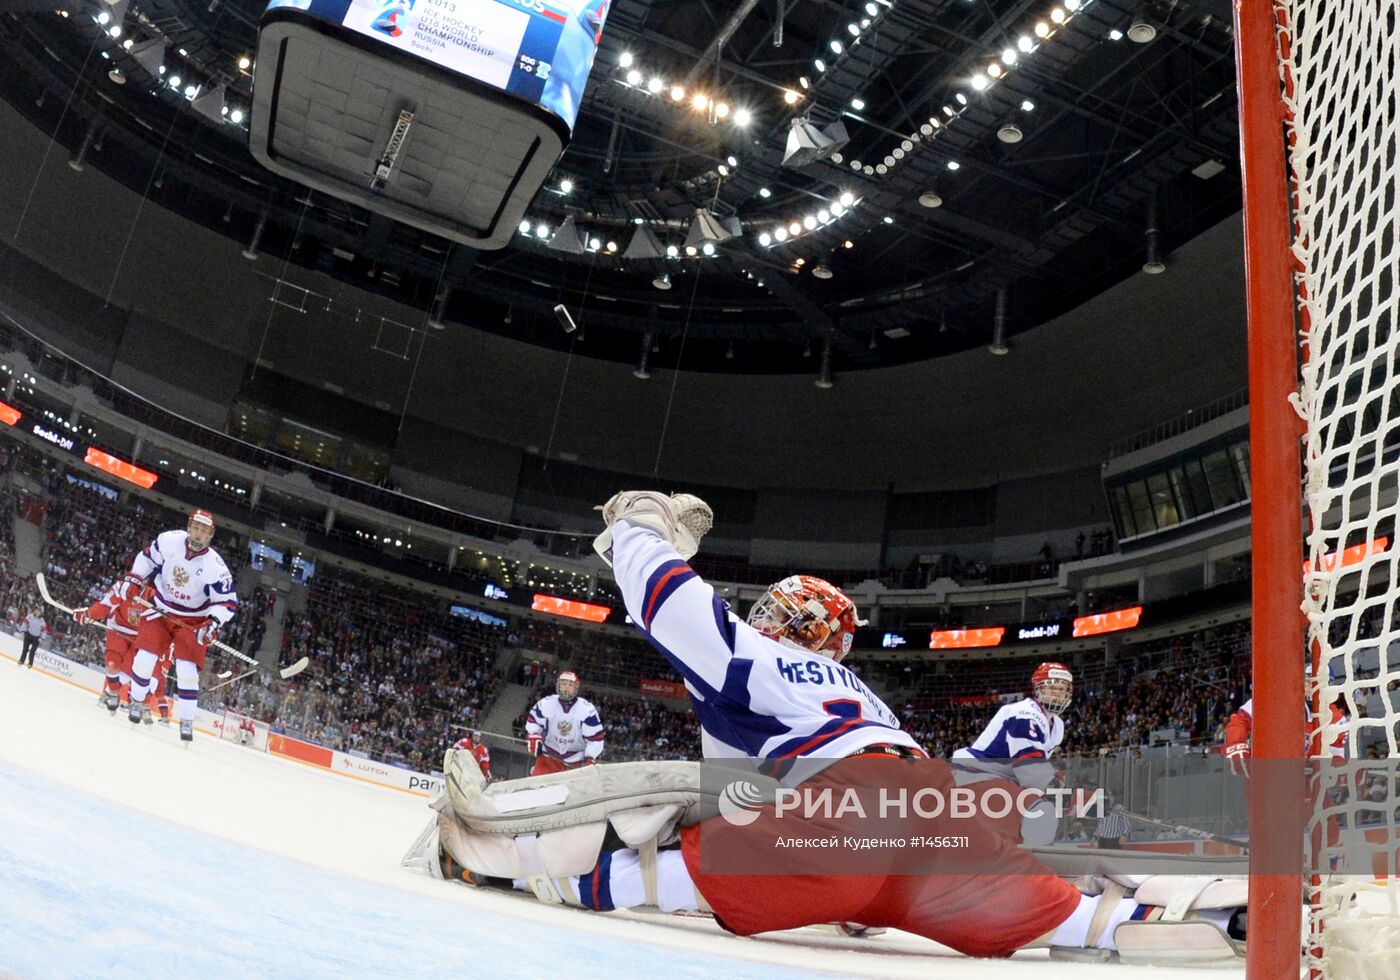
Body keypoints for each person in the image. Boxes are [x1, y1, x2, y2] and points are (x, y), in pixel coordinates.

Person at [426, 491, 1249, 963]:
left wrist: (637, 534)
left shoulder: (756, 653)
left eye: (785, 610)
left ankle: (501, 865)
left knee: (656, 866)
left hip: (839, 817)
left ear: (800, 627)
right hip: (931, 811)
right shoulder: (861, 688)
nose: (769, 614)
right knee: (1061, 917)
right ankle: (1190, 922)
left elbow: (671, 606)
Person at [111, 509, 238, 742]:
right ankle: (137, 702)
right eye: (196, 528)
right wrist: (135, 577)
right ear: (189, 527)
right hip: (161, 609)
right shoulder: (169, 541)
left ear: (211, 534)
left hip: (193, 620)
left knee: (186, 671)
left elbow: (227, 602)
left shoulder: (216, 567)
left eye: (204, 531)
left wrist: (213, 623)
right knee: (144, 659)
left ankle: (187, 721)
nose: (199, 534)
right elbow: (146, 558)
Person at [950, 661, 1073, 844]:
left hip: (998, 779)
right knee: (1040, 812)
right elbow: (1030, 770)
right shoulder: (1024, 714)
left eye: (1062, 689)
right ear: (1037, 690)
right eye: (1052, 687)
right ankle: (1033, 869)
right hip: (977, 777)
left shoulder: (1057, 726)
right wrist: (1064, 794)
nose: (1057, 693)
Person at [75, 581, 156, 713]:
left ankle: (109, 692)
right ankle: (112, 692)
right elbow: (105, 606)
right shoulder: (121, 587)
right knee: (112, 662)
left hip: (141, 635)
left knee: (128, 670)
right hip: (119, 627)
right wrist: (89, 614)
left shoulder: (154, 596)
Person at [524, 671, 604, 776]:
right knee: (537, 788)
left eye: (570, 685)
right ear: (558, 685)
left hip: (575, 763)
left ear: (576, 687)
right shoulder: (546, 703)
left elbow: (595, 738)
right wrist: (534, 735)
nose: (566, 687)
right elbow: (533, 721)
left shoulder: (587, 710)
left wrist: (590, 757)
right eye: (563, 684)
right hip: (548, 757)